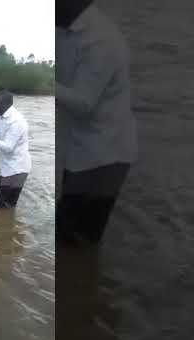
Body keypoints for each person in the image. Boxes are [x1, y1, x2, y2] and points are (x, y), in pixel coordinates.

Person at [55, 0, 137, 244]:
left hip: (105, 156)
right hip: (80, 152)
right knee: (67, 235)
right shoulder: (63, 25)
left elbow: (83, 103)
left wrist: (42, 84)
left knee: (78, 241)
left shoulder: (101, 41)